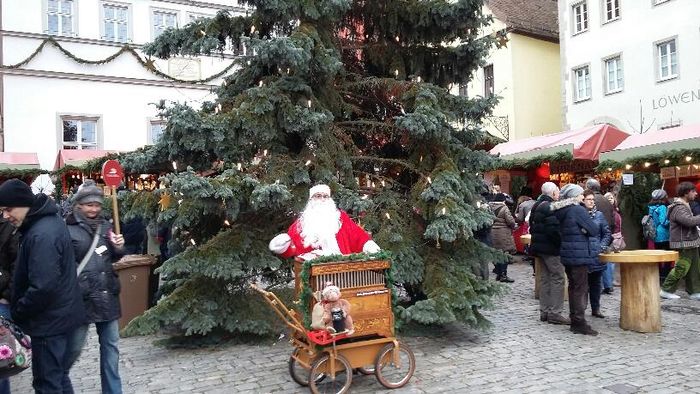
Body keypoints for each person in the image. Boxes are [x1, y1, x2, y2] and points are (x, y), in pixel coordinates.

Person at [0, 179, 85, 393]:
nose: (5, 215)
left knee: (48, 384)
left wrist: (18, 310)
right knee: (58, 378)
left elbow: (43, 287)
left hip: (50, 324)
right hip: (59, 318)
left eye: (8, 209)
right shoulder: (46, 223)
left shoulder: (41, 233)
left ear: (22, 203)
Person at [64, 181, 125, 393]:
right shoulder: (67, 227)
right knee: (73, 350)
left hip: (108, 295)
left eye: (97, 205)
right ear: (79, 205)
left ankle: (113, 391)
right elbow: (64, 263)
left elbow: (113, 255)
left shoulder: (106, 225)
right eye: (89, 205)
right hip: (82, 300)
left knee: (111, 350)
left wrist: (118, 247)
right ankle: (59, 382)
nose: (94, 209)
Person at [269, 184, 380, 258]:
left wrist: (368, 245)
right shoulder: (302, 223)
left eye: (325, 196)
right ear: (311, 200)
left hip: (343, 267)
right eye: (318, 196)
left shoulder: (340, 218)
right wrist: (281, 244)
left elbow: (358, 236)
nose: (322, 199)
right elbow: (292, 247)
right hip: (315, 274)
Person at [551, 183, 600, 336]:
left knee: (573, 287)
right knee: (580, 289)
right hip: (578, 255)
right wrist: (584, 230)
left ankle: (574, 320)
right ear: (574, 196)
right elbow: (593, 229)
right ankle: (579, 322)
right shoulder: (577, 209)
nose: (582, 196)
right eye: (580, 194)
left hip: (567, 254)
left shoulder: (562, 210)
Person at [529, 182, 569, 325]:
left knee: (545, 278)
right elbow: (553, 230)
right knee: (558, 278)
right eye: (557, 191)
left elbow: (531, 226)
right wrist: (561, 242)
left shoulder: (536, 205)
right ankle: (555, 312)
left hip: (539, 248)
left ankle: (544, 311)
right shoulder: (552, 206)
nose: (558, 194)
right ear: (553, 193)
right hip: (551, 249)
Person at [659, 182, 700, 300]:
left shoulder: (684, 205)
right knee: (682, 267)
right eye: (693, 191)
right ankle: (666, 290)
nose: (696, 193)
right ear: (686, 193)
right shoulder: (678, 207)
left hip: (690, 241)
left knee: (694, 268)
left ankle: (695, 291)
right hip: (683, 242)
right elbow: (689, 221)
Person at [582, 190, 612, 318]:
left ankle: (596, 308)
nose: (591, 202)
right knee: (582, 285)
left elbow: (606, 233)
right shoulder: (579, 214)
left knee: (596, 284)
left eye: (593, 199)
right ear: (582, 200)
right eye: (589, 199)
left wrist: (602, 246)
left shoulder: (599, 215)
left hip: (596, 254)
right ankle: (581, 309)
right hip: (583, 254)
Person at [0, 218, 18, 394]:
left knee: (1, 363)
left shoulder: (8, 228)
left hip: (2, 303)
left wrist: (6, 296)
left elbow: (17, 266)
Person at [488, 193, 516, 282]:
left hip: (492, 232)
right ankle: (503, 275)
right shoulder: (504, 208)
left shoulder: (489, 207)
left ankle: (498, 273)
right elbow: (510, 221)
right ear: (503, 200)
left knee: (496, 253)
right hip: (503, 233)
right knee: (504, 254)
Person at [648, 189, 671, 283]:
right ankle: (665, 277)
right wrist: (672, 220)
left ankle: (658, 275)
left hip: (655, 234)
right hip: (664, 235)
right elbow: (664, 222)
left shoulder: (650, 207)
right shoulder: (662, 207)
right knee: (667, 257)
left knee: (658, 256)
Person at [601, 192, 623, 293]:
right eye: (607, 198)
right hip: (610, 237)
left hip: (616, 237)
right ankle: (608, 283)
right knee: (609, 261)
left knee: (612, 262)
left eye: (611, 197)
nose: (610, 199)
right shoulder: (608, 212)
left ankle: (610, 282)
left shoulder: (616, 211)